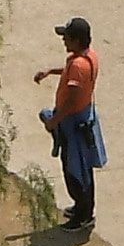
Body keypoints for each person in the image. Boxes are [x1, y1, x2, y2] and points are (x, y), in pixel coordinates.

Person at [34, 19, 103, 233]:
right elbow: (67, 71)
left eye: (67, 37)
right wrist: (49, 71)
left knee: (74, 170)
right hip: (80, 120)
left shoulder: (79, 67)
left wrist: (54, 121)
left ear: (76, 40)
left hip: (74, 124)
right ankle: (82, 208)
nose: (64, 40)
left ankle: (83, 216)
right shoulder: (86, 57)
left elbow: (72, 100)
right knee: (83, 169)